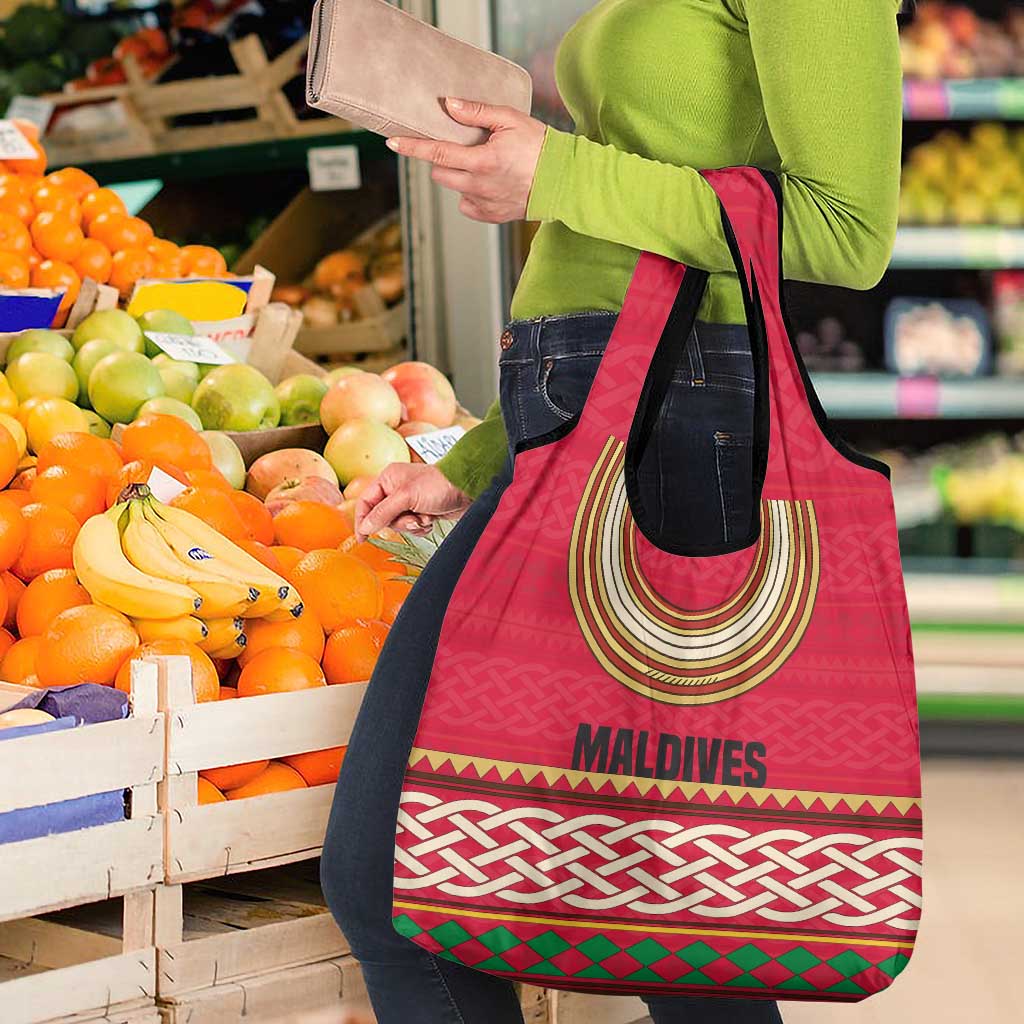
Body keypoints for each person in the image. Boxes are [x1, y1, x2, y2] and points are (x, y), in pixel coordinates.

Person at [321, 2, 905, 1022]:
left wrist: (556, 172)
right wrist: (479, 457)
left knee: (426, 882)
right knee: (663, 921)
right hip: (588, 424)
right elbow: (623, 240)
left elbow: (847, 230)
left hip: (677, 433)